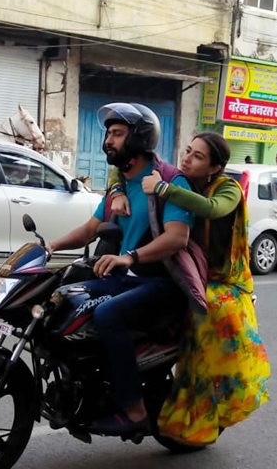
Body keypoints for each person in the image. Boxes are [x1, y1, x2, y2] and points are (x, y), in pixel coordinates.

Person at [46, 102, 204, 438]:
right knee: (60, 300)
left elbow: (177, 238)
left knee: (108, 315)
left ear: (139, 138)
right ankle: (84, 382)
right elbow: (91, 228)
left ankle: (134, 410)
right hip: (128, 279)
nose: (108, 141)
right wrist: (50, 247)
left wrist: (129, 257)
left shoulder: (169, 183)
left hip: (162, 283)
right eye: (108, 134)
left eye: (117, 134)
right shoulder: (120, 184)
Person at [110, 132, 271, 446]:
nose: (187, 159)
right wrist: (118, 189)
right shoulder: (181, 178)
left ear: (215, 167)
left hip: (224, 280)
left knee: (210, 309)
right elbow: (129, 166)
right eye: (187, 151)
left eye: (198, 156)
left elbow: (210, 208)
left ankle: (220, 390)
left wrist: (163, 189)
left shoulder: (228, 189)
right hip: (191, 271)